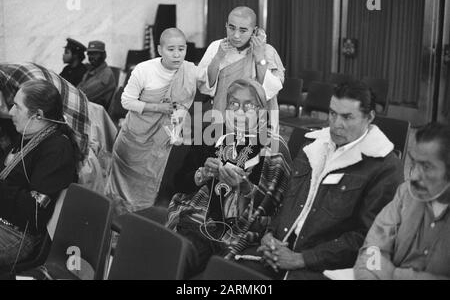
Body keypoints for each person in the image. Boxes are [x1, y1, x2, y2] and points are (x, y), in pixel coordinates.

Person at [247, 83, 404, 280]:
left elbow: (368, 238)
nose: (336, 124)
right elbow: (287, 202)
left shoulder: (384, 167)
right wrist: (270, 235)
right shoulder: (313, 146)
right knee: (224, 273)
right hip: (279, 252)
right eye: (332, 113)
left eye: (347, 117)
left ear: (369, 117)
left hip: (324, 266)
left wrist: (301, 259)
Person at [166, 78, 292, 277]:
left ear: (262, 110)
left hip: (244, 232)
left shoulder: (274, 149)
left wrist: (244, 188)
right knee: (174, 263)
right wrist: (202, 174)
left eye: (248, 106)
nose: (239, 112)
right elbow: (178, 182)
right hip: (200, 219)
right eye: (233, 104)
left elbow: (275, 211)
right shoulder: (212, 133)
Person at [106, 28, 207, 213]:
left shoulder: (189, 70)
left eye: (181, 49)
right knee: (121, 193)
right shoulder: (144, 70)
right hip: (135, 139)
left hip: (161, 141)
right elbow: (126, 101)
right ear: (160, 50)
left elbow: (210, 84)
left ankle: (140, 224)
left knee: (149, 189)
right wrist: (158, 108)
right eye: (171, 49)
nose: (177, 55)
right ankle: (114, 227)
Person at [0, 80, 80, 270]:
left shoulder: (57, 150)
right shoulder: (29, 135)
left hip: (18, 235)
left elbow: (35, 214)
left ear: (38, 115)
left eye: (17, 107)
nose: (10, 112)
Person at [354, 123, 450, 280]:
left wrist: (394, 274)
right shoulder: (406, 193)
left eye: (426, 167)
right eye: (413, 163)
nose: (414, 177)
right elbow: (372, 249)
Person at [198, 6, 284, 121]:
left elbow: (270, 91)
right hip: (223, 113)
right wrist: (218, 57)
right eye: (231, 28)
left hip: (254, 116)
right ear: (226, 25)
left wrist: (259, 57)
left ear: (253, 31)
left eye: (243, 30)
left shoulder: (267, 51)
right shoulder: (216, 46)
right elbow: (205, 86)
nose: (236, 35)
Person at [77, 40, 116, 109]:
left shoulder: (106, 74)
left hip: (95, 114)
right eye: (89, 54)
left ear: (103, 55)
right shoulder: (91, 71)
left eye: (95, 54)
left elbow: (85, 95)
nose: (91, 57)